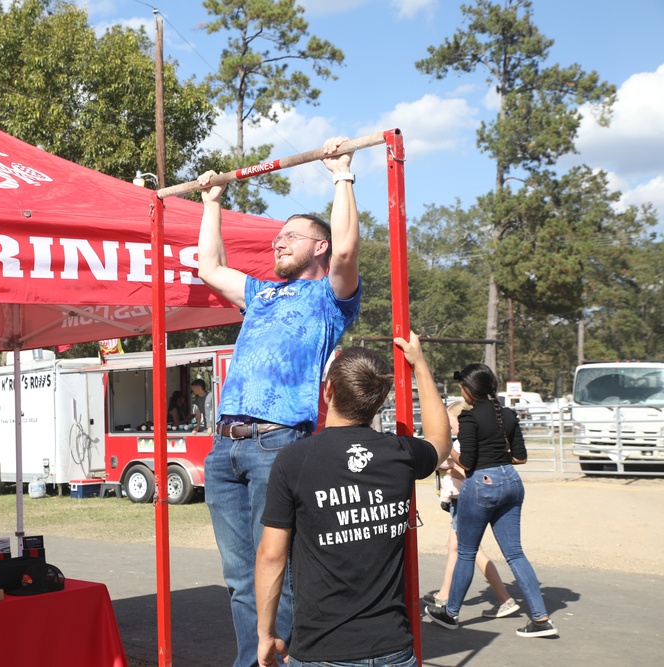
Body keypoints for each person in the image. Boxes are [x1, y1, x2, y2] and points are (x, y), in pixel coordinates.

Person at [196, 136, 361, 666]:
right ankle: (255, 660)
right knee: (240, 576)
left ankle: (285, 659)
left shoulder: (330, 298)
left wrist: (341, 176)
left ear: (318, 246)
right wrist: (212, 203)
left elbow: (348, 249)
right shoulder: (262, 294)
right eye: (276, 237)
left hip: (277, 442)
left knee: (278, 568)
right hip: (225, 448)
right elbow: (208, 267)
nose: (278, 242)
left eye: (291, 236)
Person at [256, 334, 450, 667]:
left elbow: (272, 555)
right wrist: (418, 363)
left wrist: (265, 633)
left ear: (327, 389)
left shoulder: (294, 460)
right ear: (380, 402)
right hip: (393, 650)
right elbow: (441, 441)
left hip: (321, 651)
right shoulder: (399, 454)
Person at [425, 364, 558, 638]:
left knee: (465, 552)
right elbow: (520, 457)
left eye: (462, 388)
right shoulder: (507, 414)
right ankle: (540, 618)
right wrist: (496, 460)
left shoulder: (470, 418)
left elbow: (468, 462)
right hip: (511, 481)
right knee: (515, 553)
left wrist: (446, 445)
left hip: (482, 485)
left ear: (469, 390)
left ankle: (450, 613)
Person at [422, 400, 519, 618]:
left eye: (450, 421)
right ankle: (445, 594)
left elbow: (467, 472)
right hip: (459, 501)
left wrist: (448, 469)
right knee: (454, 547)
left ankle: (504, 598)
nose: (448, 426)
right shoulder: (463, 442)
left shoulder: (464, 443)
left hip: (464, 501)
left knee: (471, 551)